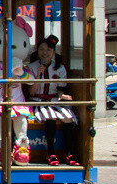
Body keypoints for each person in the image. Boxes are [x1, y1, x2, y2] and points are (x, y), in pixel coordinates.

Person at [26, 35, 79, 166]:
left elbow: (60, 91)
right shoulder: (31, 67)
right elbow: (31, 92)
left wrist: (63, 97)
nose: (45, 53)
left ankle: (68, 152)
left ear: (54, 52)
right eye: (42, 49)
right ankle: (51, 153)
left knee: (68, 117)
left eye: (48, 50)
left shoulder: (60, 68)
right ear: (37, 51)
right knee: (50, 118)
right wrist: (38, 75)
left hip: (54, 101)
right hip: (37, 102)